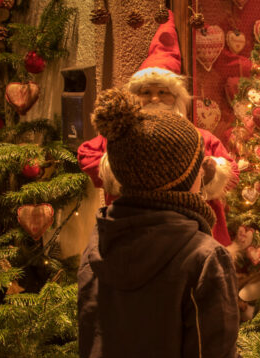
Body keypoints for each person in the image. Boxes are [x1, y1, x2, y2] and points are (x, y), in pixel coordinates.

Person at [77, 89, 260, 358]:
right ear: (185, 178)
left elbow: (93, 347)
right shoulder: (203, 256)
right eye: (200, 166)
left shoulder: (97, 243)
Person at [77, 10, 236, 246]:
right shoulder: (118, 136)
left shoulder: (199, 137)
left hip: (194, 235)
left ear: (176, 98)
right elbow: (86, 154)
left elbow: (229, 169)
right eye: (146, 93)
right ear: (134, 96)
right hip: (134, 230)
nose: (154, 99)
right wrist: (121, 170)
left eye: (163, 93)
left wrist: (211, 174)